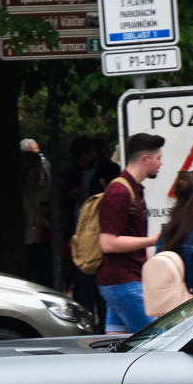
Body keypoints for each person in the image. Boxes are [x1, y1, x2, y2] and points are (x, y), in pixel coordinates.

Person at [96, 133, 164, 334]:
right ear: (145, 159)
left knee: (118, 347)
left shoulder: (133, 190)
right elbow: (107, 243)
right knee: (158, 342)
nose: (161, 163)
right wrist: (151, 241)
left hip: (122, 282)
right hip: (123, 283)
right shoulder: (120, 192)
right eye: (158, 157)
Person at [64, 136, 120, 325]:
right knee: (83, 283)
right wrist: (72, 195)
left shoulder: (110, 170)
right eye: (79, 160)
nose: (83, 163)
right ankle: (87, 325)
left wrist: (93, 197)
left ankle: (105, 325)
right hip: (81, 232)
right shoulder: (75, 171)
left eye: (85, 158)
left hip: (101, 230)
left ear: (93, 152)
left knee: (102, 284)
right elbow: (63, 195)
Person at [22, 150, 53, 288]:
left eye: (39, 166)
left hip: (43, 240)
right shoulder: (17, 191)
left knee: (45, 281)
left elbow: (57, 216)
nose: (38, 169)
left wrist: (49, 211)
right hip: (23, 243)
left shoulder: (47, 189)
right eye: (33, 166)